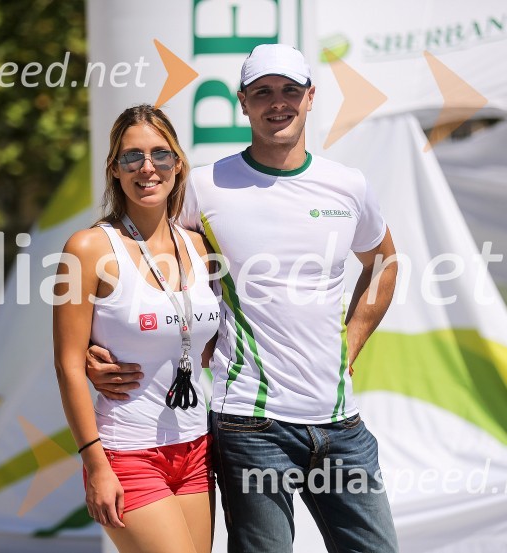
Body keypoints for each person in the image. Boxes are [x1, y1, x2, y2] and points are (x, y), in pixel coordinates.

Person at [88, 44, 400, 552]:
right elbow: (136, 268)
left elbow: (384, 265)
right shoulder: (203, 189)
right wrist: (90, 352)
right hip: (251, 426)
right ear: (242, 102)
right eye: (263, 93)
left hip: (341, 424)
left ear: (310, 97)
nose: (278, 103)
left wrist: (351, 343)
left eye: (289, 91)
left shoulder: (349, 186)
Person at [53, 104, 220, 553]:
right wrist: (96, 464)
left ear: (177, 163)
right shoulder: (88, 248)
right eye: (132, 157)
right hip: (125, 451)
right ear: (114, 168)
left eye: (160, 155)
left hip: (197, 448)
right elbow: (69, 366)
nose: (147, 168)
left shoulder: (200, 247)